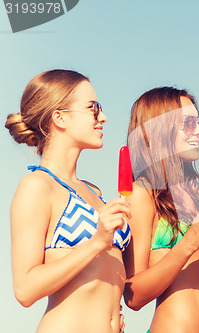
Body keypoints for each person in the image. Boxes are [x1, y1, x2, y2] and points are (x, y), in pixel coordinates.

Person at [5, 69, 131, 333]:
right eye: (93, 108)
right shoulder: (37, 187)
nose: (103, 118)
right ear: (59, 117)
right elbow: (25, 289)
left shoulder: (94, 192)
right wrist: (97, 241)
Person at [122, 87, 199, 333]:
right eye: (189, 123)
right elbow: (133, 295)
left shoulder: (196, 193)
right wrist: (188, 242)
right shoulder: (141, 194)